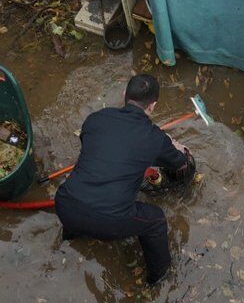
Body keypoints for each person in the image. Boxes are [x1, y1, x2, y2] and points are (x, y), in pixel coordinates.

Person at [55, 74, 192, 285]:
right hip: (109, 220)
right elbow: (180, 164)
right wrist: (176, 147)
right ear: (153, 106)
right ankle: (159, 277)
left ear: (124, 95)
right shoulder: (154, 138)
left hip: (65, 205)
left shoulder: (96, 118)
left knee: (82, 200)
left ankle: (70, 238)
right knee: (155, 220)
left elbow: (91, 147)